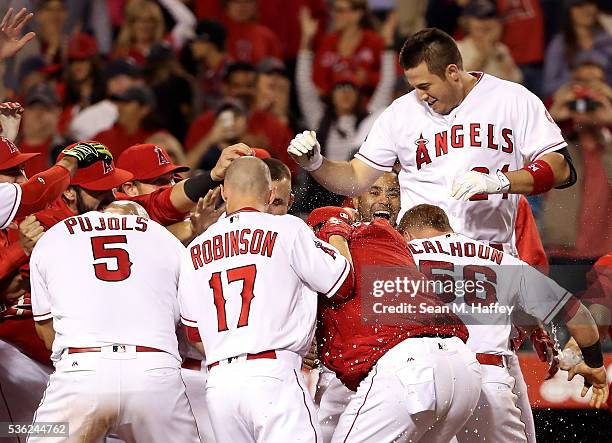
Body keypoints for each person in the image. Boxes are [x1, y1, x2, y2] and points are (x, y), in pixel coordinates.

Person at [288, 27, 575, 255]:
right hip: (421, 258)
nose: (420, 95)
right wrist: (316, 162)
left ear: (452, 72)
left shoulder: (512, 99)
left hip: (491, 255)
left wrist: (499, 181)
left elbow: (561, 169)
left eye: (425, 86)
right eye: (414, 87)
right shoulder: (401, 112)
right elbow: (355, 178)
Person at [397, 204, 609, 441]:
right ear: (449, 229)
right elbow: (578, 315)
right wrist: (594, 362)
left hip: (419, 378)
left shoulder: (398, 254)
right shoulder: (500, 259)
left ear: (405, 234)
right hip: (485, 377)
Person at [178, 156, 350, 442]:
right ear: (270, 193)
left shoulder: (194, 249)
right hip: (274, 373)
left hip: (220, 384)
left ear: (224, 192)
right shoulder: (288, 229)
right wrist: (337, 235)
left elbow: (195, 335)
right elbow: (341, 282)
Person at [306, 203, 480, 443]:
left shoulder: (321, 249)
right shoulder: (390, 239)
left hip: (407, 367)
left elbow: (341, 282)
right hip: (463, 368)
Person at [28, 208, 200, 442]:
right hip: (153, 369)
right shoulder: (163, 237)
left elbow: (46, 333)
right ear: (139, 218)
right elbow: (191, 325)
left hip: (82, 369)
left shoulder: (54, 237)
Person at [312, 0, 384, 97]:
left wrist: (368, 78)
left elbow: (391, 77)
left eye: (340, 10)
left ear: (357, 14)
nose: (334, 15)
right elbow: (316, 79)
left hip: (367, 106)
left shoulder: (375, 42)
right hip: (330, 105)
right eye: (334, 10)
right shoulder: (327, 42)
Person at [543, 0, 612, 99]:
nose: (586, 10)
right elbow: (548, 87)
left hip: (604, 100)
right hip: (570, 103)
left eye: (590, 4)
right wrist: (575, 77)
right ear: (569, 10)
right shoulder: (559, 44)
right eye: (579, 6)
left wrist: (601, 78)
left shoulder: (608, 41)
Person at [456, 0, 523, 84]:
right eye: (479, 18)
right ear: (466, 22)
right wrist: (484, 54)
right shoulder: (457, 48)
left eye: (489, 17)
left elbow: (517, 81)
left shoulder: (501, 49)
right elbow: (460, 82)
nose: (485, 23)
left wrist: (497, 54)